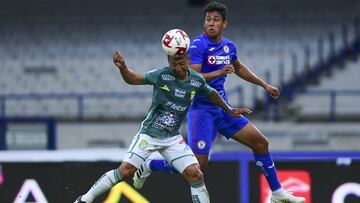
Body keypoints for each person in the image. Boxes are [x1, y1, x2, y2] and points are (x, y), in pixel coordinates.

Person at [133, 2, 306, 203]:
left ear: (225, 24)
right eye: (208, 20)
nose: (211, 24)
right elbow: (192, 77)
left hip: (223, 109)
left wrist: (264, 85)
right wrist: (219, 72)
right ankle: (150, 165)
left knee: (260, 143)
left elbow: (239, 68)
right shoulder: (198, 45)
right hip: (201, 111)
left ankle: (277, 193)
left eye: (215, 20)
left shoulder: (229, 46)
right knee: (197, 167)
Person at [74, 49, 252, 203]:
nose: (177, 68)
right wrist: (123, 67)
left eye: (181, 63)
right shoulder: (162, 75)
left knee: (195, 174)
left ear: (188, 61)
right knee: (126, 171)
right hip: (150, 134)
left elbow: (212, 94)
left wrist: (230, 110)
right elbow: (133, 79)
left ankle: (149, 165)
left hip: (172, 138)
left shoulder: (196, 79)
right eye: (173, 63)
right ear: (168, 62)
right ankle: (85, 199)